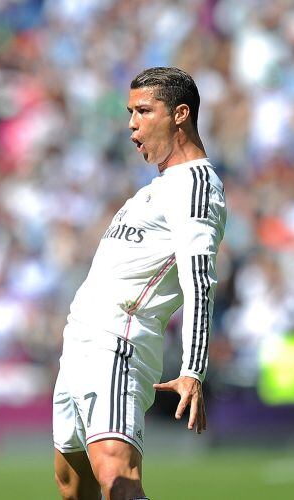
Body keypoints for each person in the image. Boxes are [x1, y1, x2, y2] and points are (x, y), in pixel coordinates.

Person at [52, 67, 226, 500]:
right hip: (79, 344)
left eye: (144, 111)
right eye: (130, 111)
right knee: (73, 487)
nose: (132, 123)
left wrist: (193, 369)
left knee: (118, 479)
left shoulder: (197, 187)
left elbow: (199, 280)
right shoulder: (156, 187)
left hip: (118, 343)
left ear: (180, 114)